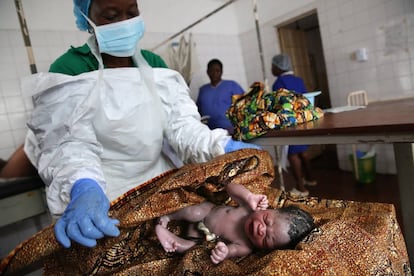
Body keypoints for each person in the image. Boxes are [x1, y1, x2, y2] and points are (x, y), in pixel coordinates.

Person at [22, 0, 261, 249]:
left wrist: (221, 144)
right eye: (111, 16)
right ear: (87, 18)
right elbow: (68, 144)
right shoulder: (70, 68)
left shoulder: (154, 65)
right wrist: (83, 186)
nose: (125, 23)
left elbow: (182, 127)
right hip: (104, 195)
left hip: (160, 185)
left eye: (132, 13)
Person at [156, 182, 315, 264]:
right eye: (266, 220)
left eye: (267, 239)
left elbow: (230, 252)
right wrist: (248, 196)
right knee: (194, 211)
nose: (261, 230)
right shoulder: (249, 208)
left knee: (194, 250)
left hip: (203, 235)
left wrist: (223, 253)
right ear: (270, 209)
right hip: (208, 212)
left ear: (265, 250)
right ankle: (169, 217)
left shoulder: (245, 246)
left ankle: (173, 241)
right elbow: (230, 187)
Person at [271, 53, 317, 197]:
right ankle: (310, 179)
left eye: (273, 66)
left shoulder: (279, 82)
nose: (271, 69)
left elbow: (277, 104)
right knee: (303, 152)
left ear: (279, 67)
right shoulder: (298, 80)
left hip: (289, 122)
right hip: (302, 120)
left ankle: (301, 188)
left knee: (292, 155)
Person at [196, 59, 245, 134]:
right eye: (211, 71)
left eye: (217, 71)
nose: (214, 73)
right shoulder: (203, 90)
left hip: (230, 130)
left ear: (221, 72)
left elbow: (244, 105)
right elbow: (198, 110)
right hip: (209, 132)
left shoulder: (232, 85)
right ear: (207, 72)